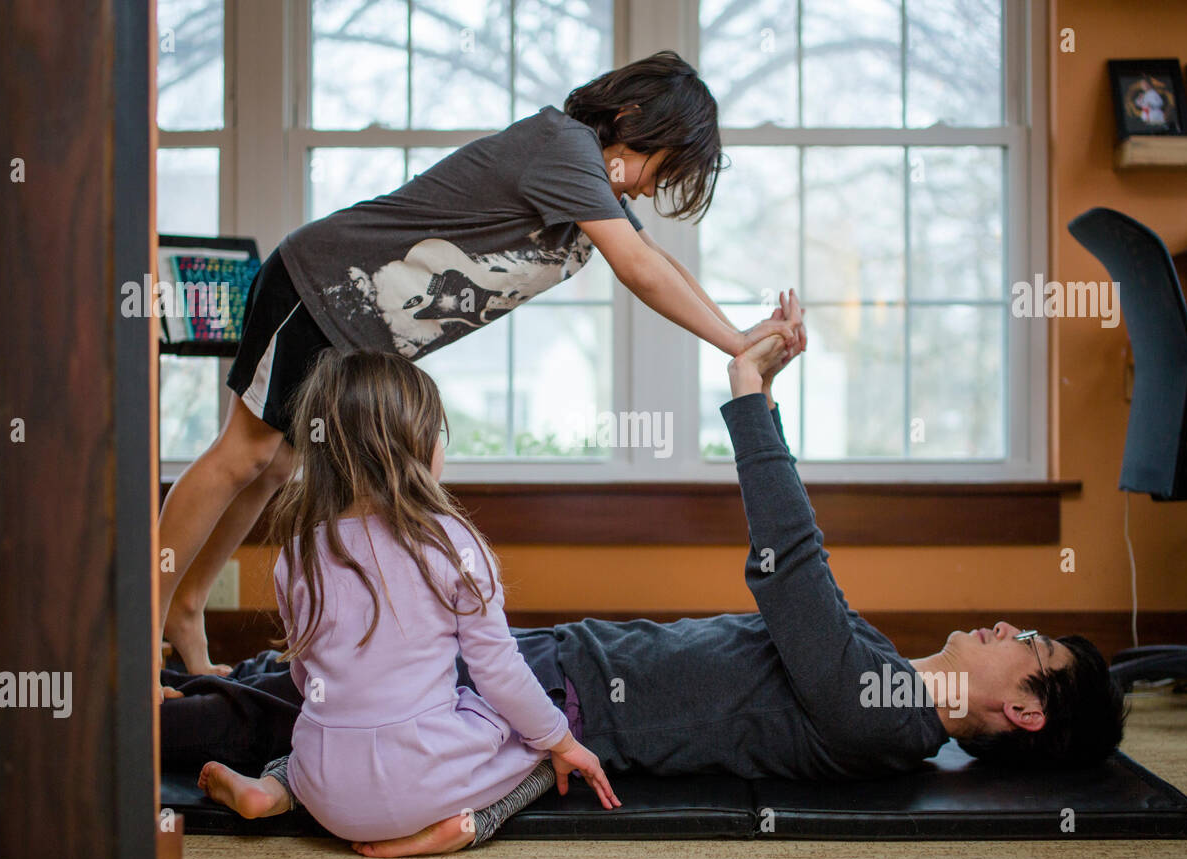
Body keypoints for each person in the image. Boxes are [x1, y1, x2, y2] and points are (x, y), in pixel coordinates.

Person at [167, 294, 1127, 855]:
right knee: (313, 674)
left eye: (1026, 645)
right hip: (573, 662)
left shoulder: (887, 713)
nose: (1005, 628)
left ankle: (150, 718)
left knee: (303, 701)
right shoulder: (882, 682)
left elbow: (791, 571)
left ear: (1027, 710)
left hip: (563, 697)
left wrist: (748, 398)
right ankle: (211, 699)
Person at [157, 49, 796, 690]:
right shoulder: (566, 146)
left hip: (349, 328)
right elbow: (641, 270)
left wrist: (743, 337)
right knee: (242, 455)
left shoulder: (589, 186)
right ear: (630, 117)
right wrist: (735, 342)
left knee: (271, 468)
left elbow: (661, 261)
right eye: (662, 167)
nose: (653, 189)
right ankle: (138, 636)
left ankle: (186, 611)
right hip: (321, 287)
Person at [197, 347, 620, 855]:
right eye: (437, 433)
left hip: (329, 793)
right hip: (425, 785)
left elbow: (306, 680)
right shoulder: (453, 542)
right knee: (542, 743)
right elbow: (499, 672)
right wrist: (565, 743)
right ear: (413, 445)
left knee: (315, 735)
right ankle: (462, 828)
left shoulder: (298, 551)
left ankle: (272, 790)